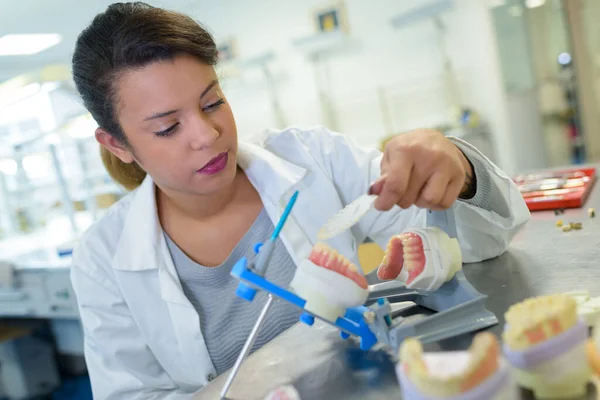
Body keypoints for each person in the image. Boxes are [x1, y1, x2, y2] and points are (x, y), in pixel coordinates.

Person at [69, 2, 530, 399]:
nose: (207, 136)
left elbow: (481, 242)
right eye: (168, 127)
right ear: (118, 145)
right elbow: (134, 393)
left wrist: (458, 170)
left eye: (212, 103)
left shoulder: (314, 158)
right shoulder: (103, 258)